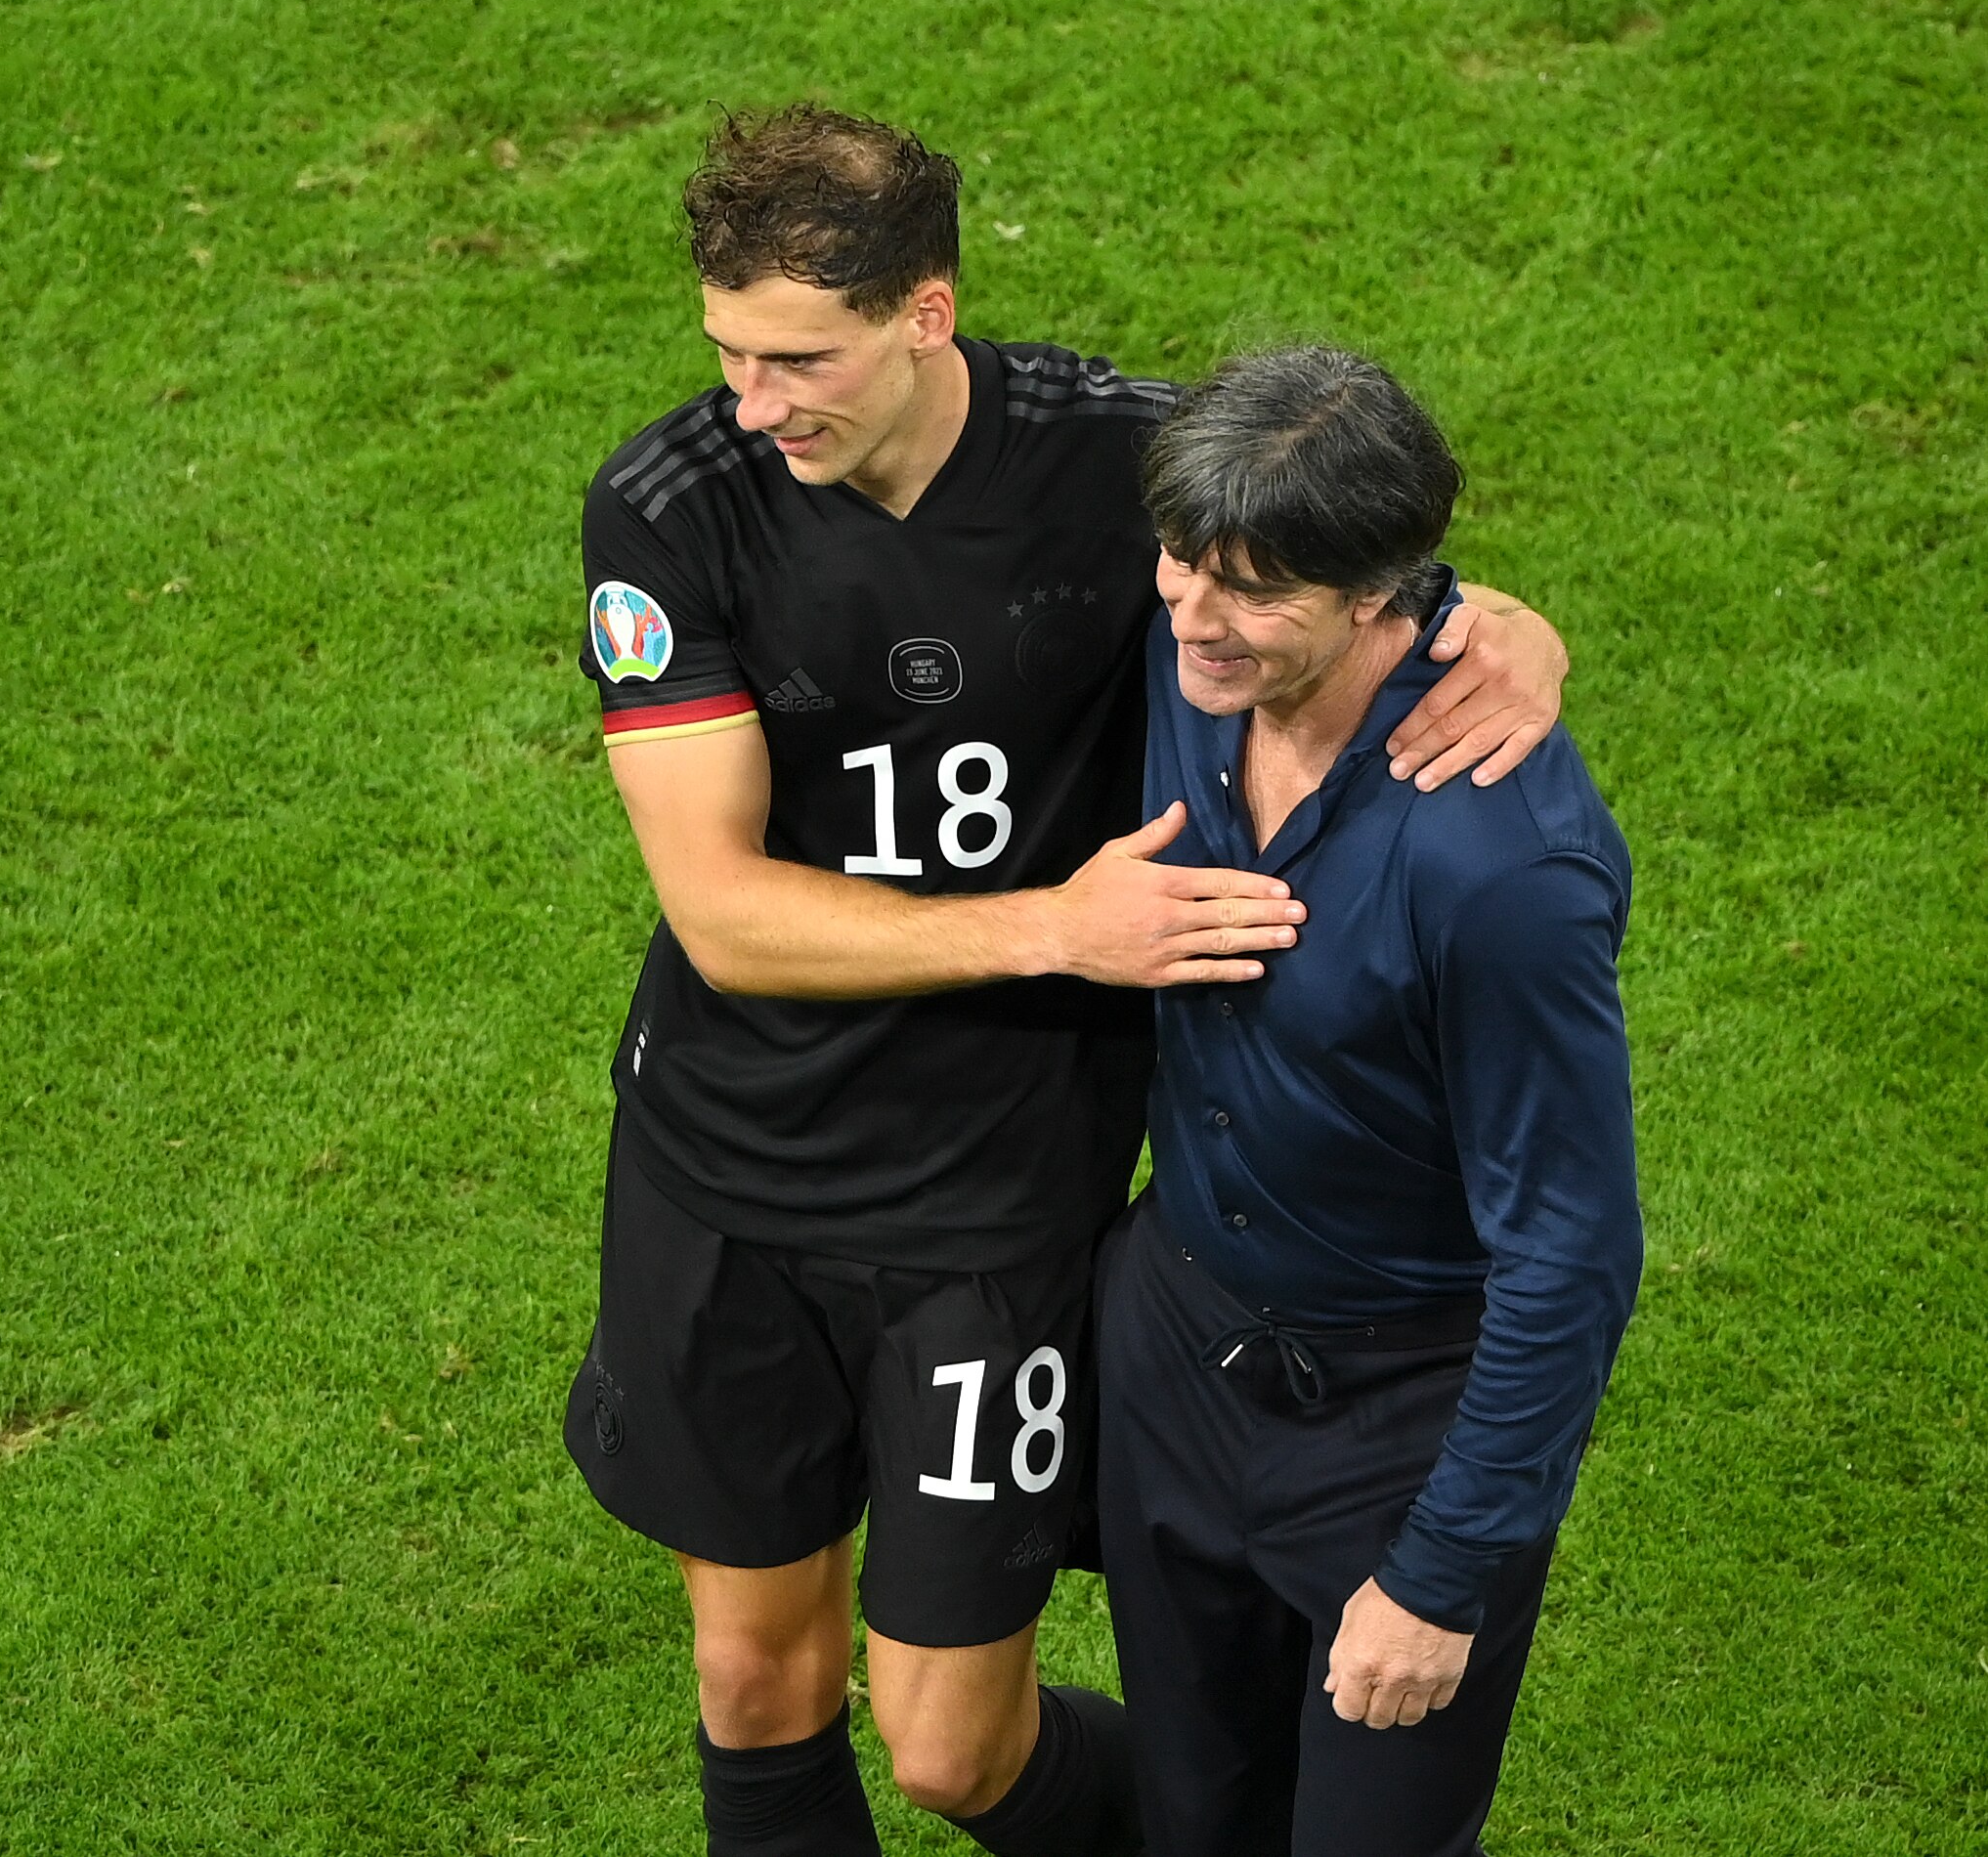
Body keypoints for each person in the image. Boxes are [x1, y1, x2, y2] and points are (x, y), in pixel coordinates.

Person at [564, 107, 1576, 1857]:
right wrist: (1056, 928)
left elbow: (1332, 557)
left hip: (994, 1200)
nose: (753, 404)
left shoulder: (1114, 455)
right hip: (723, 1174)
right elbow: (720, 916)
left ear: (927, 314)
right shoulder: (670, 507)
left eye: (798, 360)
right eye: (728, 353)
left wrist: (1503, 624)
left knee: (950, 1748)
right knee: (752, 1676)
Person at [1095, 346, 1641, 1856]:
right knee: (1194, 1822)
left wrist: (1442, 1571)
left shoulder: (1504, 871)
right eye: (1181, 563)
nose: (1191, 615)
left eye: (1252, 591)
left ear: (1379, 597)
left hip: (1400, 1431)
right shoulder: (1204, 654)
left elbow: (1572, 1251)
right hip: (1173, 1351)